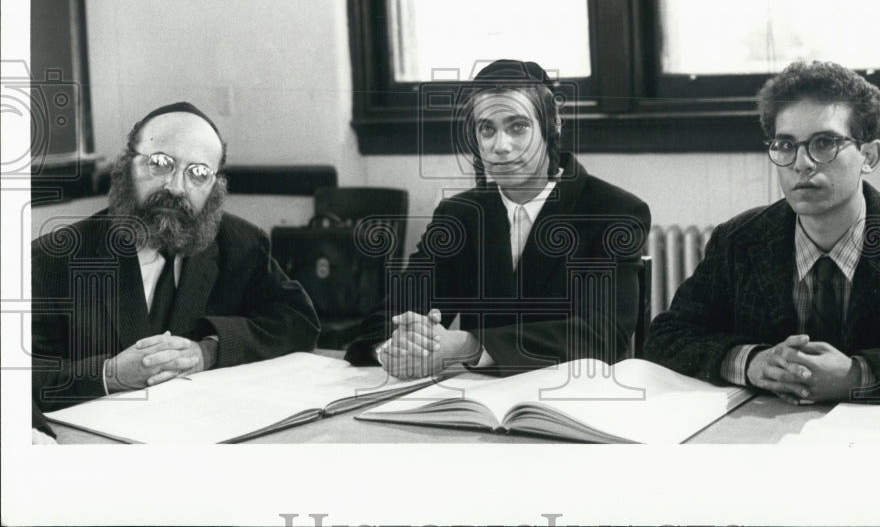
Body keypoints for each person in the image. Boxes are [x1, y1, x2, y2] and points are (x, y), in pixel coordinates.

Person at [643, 61, 880, 404]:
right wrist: (751, 362)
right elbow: (666, 337)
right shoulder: (739, 240)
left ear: (869, 155)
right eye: (786, 145)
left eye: (825, 142)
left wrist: (858, 375)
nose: (801, 162)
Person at [346, 60, 651, 378]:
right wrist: (400, 345)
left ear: (553, 124)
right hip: (476, 408)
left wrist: (469, 346)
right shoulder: (460, 216)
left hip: (573, 404)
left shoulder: (613, 211)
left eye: (518, 127)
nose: (500, 146)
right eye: (487, 129)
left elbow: (600, 336)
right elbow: (385, 320)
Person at [32, 102, 320, 410]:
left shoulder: (240, 243)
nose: (175, 187)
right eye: (159, 163)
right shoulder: (53, 258)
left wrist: (207, 352)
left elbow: (298, 320)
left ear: (215, 186)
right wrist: (108, 374)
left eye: (198, 173)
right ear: (126, 166)